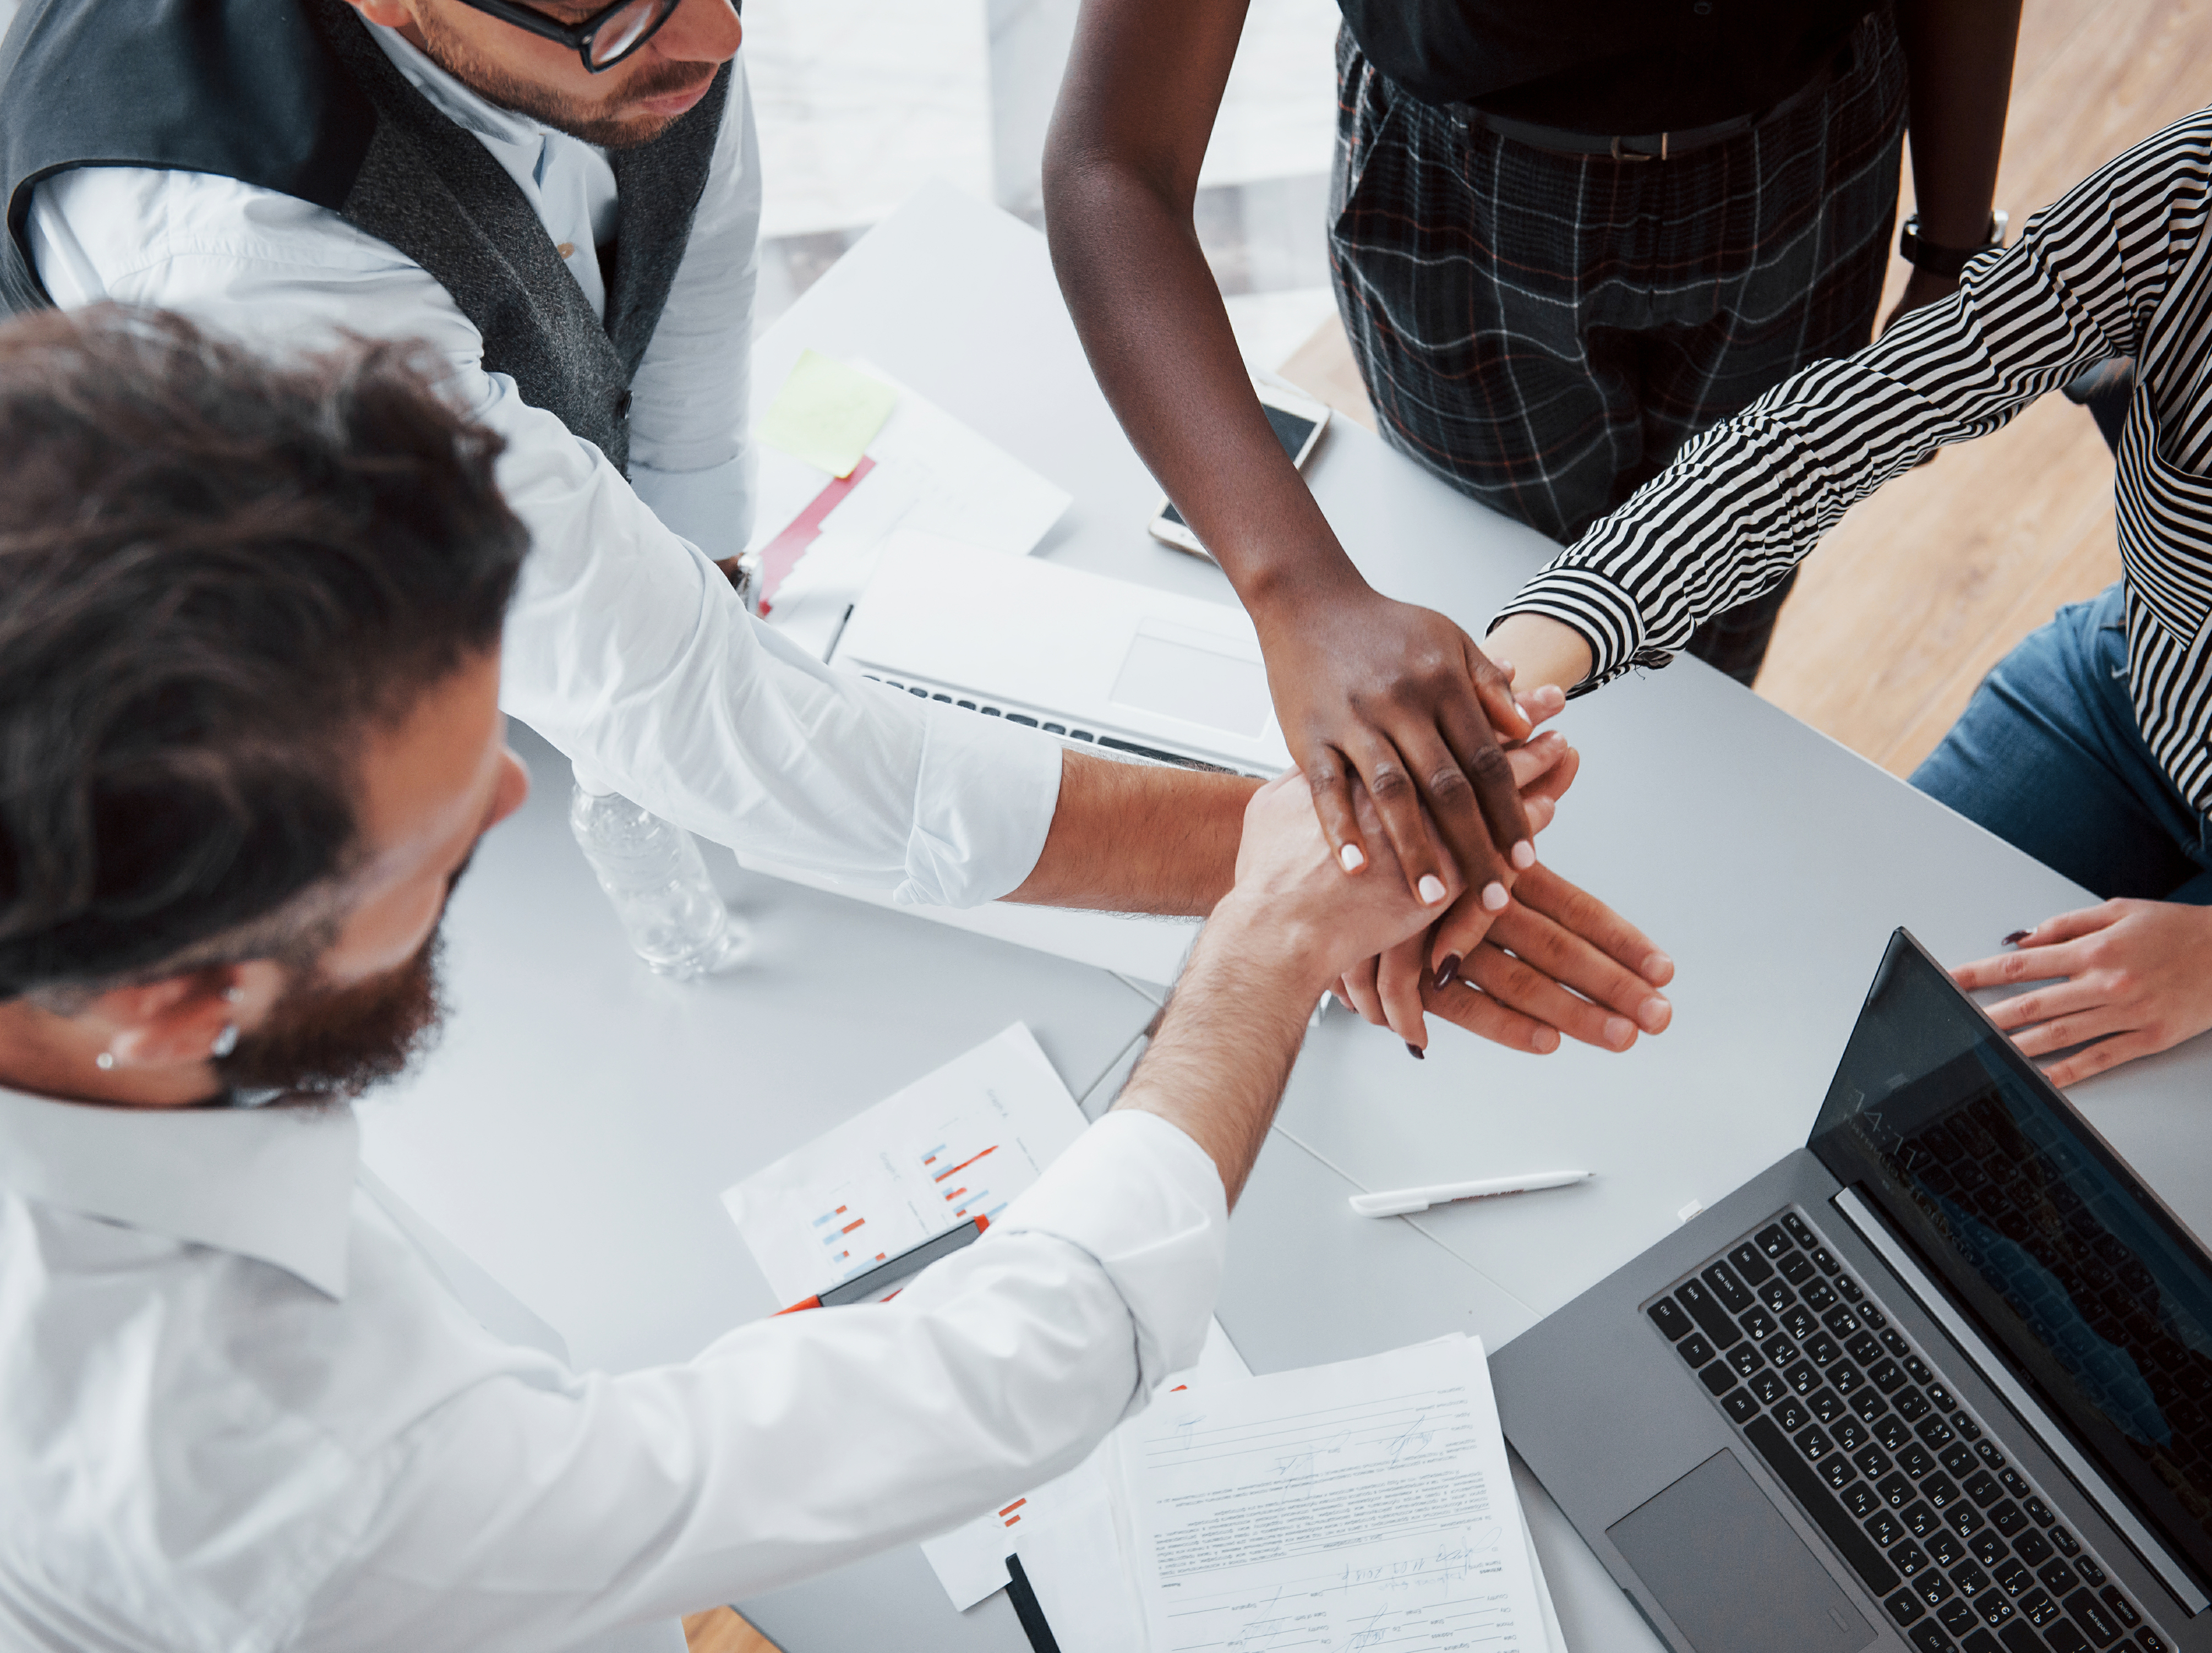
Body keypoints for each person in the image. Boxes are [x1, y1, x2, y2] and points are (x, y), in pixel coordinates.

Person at [0, 306, 1586, 1653]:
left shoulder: (91, 967)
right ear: (161, 997)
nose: (505, 804)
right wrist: (1260, 943)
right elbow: (1004, 1371)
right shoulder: (253, 1461)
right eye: (428, 837)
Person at [0, 0, 1672, 1060]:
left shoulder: (639, 27)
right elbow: (706, 734)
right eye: (621, 11)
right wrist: (1277, 865)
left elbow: (692, 279)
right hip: (211, 737)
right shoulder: (236, 268)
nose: (720, 36)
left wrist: (702, 570)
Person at [1488, 0, 2212, 1109]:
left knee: (2090, 1193)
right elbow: (1851, 422)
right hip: (2123, 712)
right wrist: (1523, 667)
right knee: (1829, 1041)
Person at [1042, 0, 2018, 923]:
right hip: (1469, 196)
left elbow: (1737, 525)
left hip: (1813, 149)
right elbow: (1112, 155)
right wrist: (1298, 592)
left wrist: (1953, 238)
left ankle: (1639, 848)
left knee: (1715, 636)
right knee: (1474, 628)